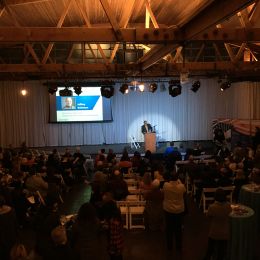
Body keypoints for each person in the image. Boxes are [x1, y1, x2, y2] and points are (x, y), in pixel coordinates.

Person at [204, 188, 232, 260]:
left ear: (215, 196)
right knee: (222, 251)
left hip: (214, 232)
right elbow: (229, 213)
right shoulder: (228, 206)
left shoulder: (212, 207)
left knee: (210, 249)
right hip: (225, 232)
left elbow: (208, 216)